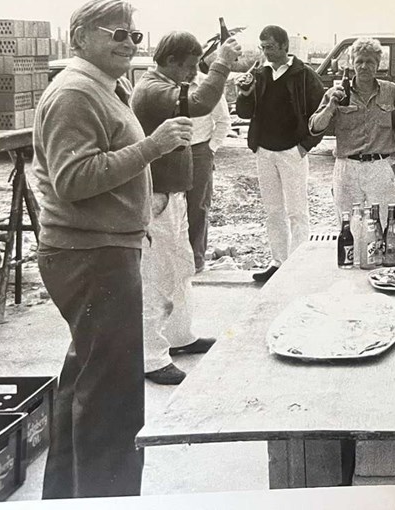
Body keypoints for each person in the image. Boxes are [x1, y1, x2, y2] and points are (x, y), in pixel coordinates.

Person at [33, 0, 194, 498]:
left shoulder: (102, 87)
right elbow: (73, 179)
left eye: (134, 36)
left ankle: (67, 497)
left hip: (100, 249)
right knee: (113, 400)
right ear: (79, 37)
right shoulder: (75, 94)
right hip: (91, 255)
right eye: (117, 34)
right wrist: (153, 146)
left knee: (87, 381)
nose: (129, 43)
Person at [131, 31, 242, 385]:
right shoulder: (153, 90)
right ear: (170, 61)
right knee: (157, 277)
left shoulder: (163, 85)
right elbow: (200, 103)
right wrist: (221, 63)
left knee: (179, 268)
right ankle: (150, 357)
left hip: (171, 195)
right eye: (190, 66)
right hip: (158, 198)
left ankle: (179, 336)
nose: (194, 73)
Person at [236, 26, 325, 282]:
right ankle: (278, 263)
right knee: (273, 211)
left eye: (271, 47)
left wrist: (305, 145)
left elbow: (323, 114)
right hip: (264, 151)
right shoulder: (259, 74)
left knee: (297, 211)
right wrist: (245, 93)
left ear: (285, 46)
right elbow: (244, 113)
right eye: (263, 47)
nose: (266, 52)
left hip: (292, 152)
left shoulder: (304, 75)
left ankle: (297, 267)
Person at [310, 37, 395, 226]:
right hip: (347, 168)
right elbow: (315, 127)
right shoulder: (337, 93)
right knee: (349, 227)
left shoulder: (391, 91)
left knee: (386, 225)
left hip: (379, 168)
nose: (364, 66)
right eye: (359, 61)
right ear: (352, 63)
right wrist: (331, 107)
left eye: (370, 61)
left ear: (378, 64)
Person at [187, 70, 232, 273]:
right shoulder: (165, 82)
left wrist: (209, 149)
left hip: (199, 151)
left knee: (198, 206)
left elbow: (223, 121)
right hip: (170, 150)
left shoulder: (208, 85)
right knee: (170, 206)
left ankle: (196, 259)